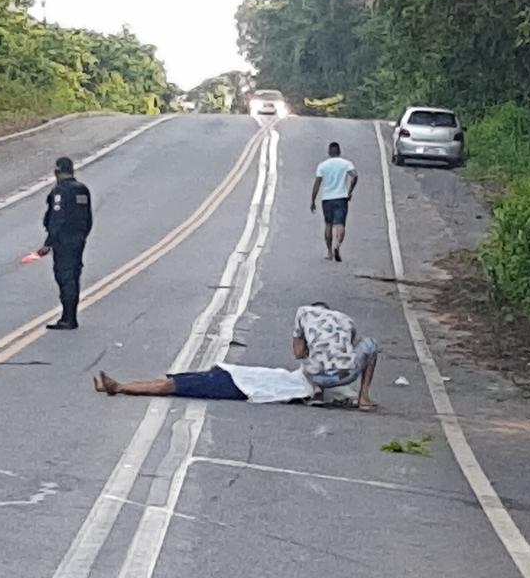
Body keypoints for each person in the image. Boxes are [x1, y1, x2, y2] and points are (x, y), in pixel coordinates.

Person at [93, 303, 379, 410]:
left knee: (174, 385)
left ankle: (119, 387)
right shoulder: (344, 323)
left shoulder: (305, 319)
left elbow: (300, 357)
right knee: (174, 381)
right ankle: (120, 385)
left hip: (238, 383)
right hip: (237, 377)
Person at [37, 156, 92, 330]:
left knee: (65, 277)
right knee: (74, 276)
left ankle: (68, 318)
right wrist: (82, 236)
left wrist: (48, 242)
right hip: (78, 239)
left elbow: (57, 218)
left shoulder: (60, 192)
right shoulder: (82, 190)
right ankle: (69, 316)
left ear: (57, 172)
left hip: (64, 240)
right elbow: (88, 218)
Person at [310, 142, 358, 263]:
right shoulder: (346, 163)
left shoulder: (322, 166)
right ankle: (337, 245)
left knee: (328, 225)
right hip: (341, 198)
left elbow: (317, 184)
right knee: (340, 225)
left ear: (329, 152)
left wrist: (313, 200)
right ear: (339, 151)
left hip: (327, 199)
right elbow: (355, 176)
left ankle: (329, 252)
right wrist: (350, 190)